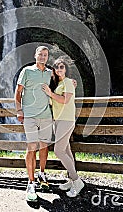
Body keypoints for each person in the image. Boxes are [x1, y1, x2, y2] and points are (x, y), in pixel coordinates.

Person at [42, 58, 85, 198]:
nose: (59, 69)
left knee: (58, 150)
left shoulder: (67, 82)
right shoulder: (58, 84)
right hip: (58, 120)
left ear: (66, 69)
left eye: (61, 67)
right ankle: (72, 180)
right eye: (56, 68)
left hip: (66, 120)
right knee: (66, 150)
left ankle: (77, 181)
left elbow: (65, 100)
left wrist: (50, 93)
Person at [15, 45, 53, 202]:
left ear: (47, 57)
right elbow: (18, 92)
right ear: (35, 56)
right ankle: (30, 183)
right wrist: (19, 110)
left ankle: (42, 173)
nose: (43, 57)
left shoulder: (50, 73)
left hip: (46, 116)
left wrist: (72, 83)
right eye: (40, 54)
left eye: (45, 55)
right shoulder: (27, 71)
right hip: (29, 116)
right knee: (31, 148)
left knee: (44, 147)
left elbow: (60, 85)